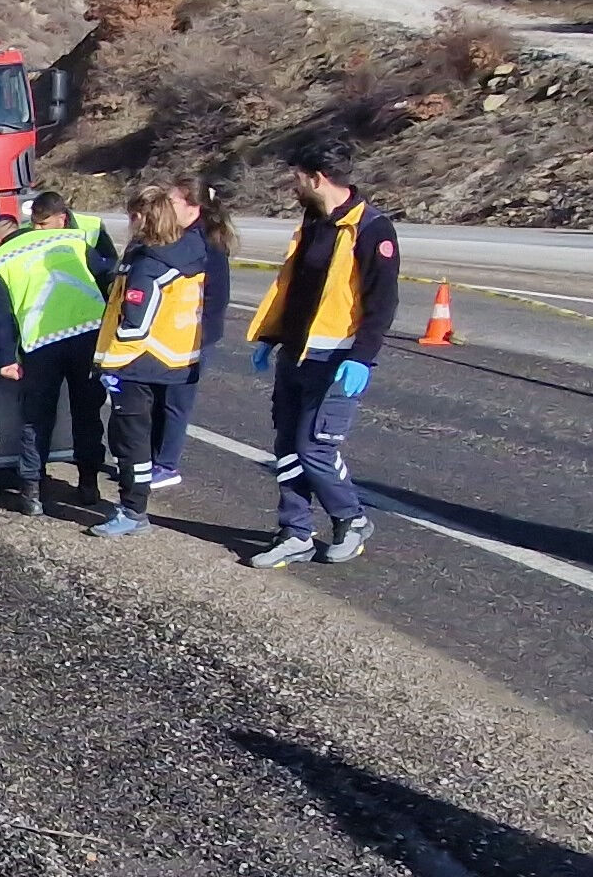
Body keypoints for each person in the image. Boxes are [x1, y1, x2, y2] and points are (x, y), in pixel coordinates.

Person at [241, 140, 401, 567]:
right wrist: (272, 336)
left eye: (297, 177)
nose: (293, 185)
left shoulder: (372, 228)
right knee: (288, 448)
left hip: (336, 361)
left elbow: (382, 302)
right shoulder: (313, 222)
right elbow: (297, 290)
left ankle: (352, 519)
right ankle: (295, 532)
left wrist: (361, 357)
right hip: (296, 354)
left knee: (315, 449)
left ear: (317, 179)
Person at [83, 180, 216, 538]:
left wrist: (110, 363)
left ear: (143, 218)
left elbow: (135, 322)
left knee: (130, 441)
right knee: (145, 436)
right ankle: (134, 506)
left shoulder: (146, 263)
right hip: (170, 357)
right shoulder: (189, 250)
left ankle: (132, 511)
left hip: (135, 362)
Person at [0, 193, 109, 514]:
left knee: (37, 418)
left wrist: (7, 359)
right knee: (87, 414)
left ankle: (32, 492)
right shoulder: (71, 240)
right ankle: (89, 485)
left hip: (41, 345)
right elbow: (107, 280)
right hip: (89, 336)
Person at [154, 175, 237, 489]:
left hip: (193, 336)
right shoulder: (176, 236)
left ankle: (166, 464)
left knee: (176, 401)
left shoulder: (206, 242)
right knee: (158, 398)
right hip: (168, 333)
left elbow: (216, 297)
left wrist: (199, 337)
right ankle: (152, 458)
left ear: (193, 206)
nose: (166, 206)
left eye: (172, 201)